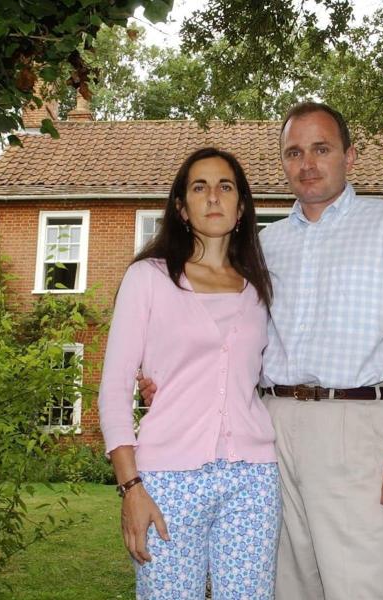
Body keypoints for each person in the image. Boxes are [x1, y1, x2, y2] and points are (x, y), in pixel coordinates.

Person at [141, 103, 383, 600]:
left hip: (359, 428)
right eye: (294, 152)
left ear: (350, 156)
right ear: (283, 163)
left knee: (363, 586)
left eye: (321, 149)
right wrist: (166, 377)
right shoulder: (265, 246)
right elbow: (231, 341)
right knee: (288, 586)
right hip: (271, 432)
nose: (307, 163)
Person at [99, 147, 280, 600]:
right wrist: (131, 487)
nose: (213, 197)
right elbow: (114, 390)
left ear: (241, 209)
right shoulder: (148, 278)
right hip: (167, 479)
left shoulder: (258, 289)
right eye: (200, 187)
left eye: (226, 187)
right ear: (181, 207)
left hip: (252, 479)